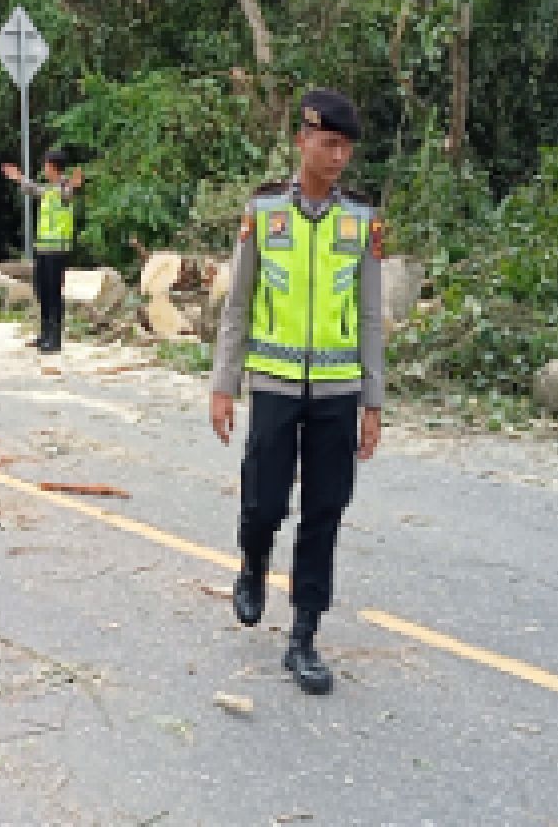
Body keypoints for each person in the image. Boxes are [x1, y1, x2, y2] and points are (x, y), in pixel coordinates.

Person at [208, 88, 385, 696]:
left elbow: (368, 316)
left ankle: (304, 636)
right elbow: (238, 305)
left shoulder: (360, 217)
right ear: (302, 140)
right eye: (329, 144)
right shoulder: (263, 211)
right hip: (276, 387)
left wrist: (373, 401)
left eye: (347, 148)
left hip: (338, 392)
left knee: (324, 514)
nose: (339, 158)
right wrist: (224, 384)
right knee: (263, 503)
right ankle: (253, 564)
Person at [1, 149, 83, 352]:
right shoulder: (50, 189)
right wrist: (19, 178)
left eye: (46, 165)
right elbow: (33, 189)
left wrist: (74, 185)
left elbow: (68, 193)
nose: (44, 168)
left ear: (54, 167)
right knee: (42, 291)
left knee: (54, 293)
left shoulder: (64, 188)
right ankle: (45, 333)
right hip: (44, 249)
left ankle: (55, 339)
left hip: (58, 250)